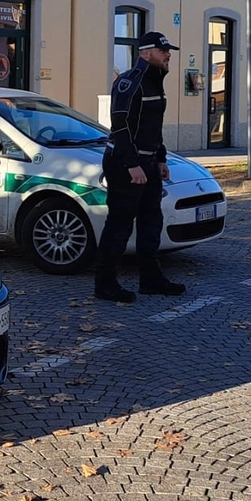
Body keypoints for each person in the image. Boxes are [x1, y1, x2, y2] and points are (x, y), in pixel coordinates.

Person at [94, 31, 187, 304]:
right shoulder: (129, 82)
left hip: (147, 162)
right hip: (125, 164)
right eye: (163, 50)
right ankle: (105, 284)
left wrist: (160, 159)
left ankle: (151, 279)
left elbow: (152, 128)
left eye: (168, 50)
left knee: (151, 223)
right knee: (119, 225)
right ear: (145, 53)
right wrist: (132, 164)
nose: (168, 54)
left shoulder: (155, 82)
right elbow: (120, 126)